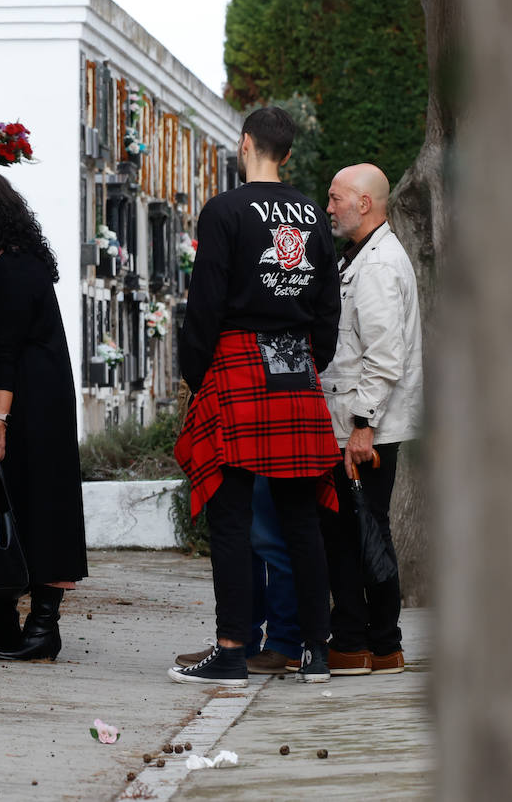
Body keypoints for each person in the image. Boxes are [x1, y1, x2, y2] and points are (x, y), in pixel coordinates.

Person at [171, 106, 342, 687]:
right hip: (296, 369)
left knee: (230, 517)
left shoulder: (224, 211)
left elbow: (206, 302)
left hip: (238, 363)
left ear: (245, 145)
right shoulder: (314, 216)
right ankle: (315, 654)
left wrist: (198, 376)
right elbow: (327, 306)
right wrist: (310, 361)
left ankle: (231, 652)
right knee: (302, 519)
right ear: (288, 153)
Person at [0, 170, 88, 661]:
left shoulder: (11, 269)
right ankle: (3, 621)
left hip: (30, 404)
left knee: (38, 507)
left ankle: (42, 627)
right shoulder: (11, 262)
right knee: (9, 506)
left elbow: (3, 350)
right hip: (33, 397)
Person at [320, 163, 423, 675]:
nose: (330, 206)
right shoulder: (365, 256)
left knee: (358, 534)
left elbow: (385, 355)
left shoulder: (379, 264)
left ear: (365, 203)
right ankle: (373, 644)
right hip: (362, 423)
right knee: (359, 533)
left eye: (337, 198)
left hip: (365, 429)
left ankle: (369, 643)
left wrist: (362, 426)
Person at [174, 477, 302, 674]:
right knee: (242, 543)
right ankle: (238, 643)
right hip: (235, 451)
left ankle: (283, 646)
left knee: (269, 538)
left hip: (264, 452)